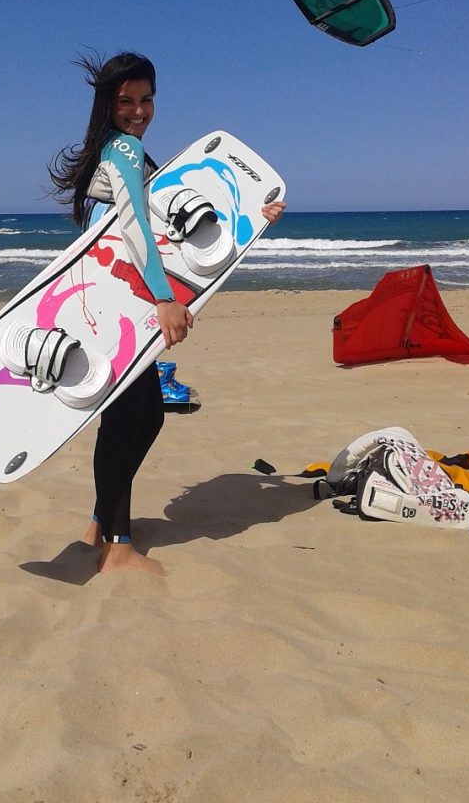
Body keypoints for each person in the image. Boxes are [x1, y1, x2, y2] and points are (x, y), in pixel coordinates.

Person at [49, 52, 285, 574]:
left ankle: (98, 524)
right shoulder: (126, 152)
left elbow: (175, 222)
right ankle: (119, 549)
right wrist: (164, 299)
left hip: (109, 303)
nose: (139, 111)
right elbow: (136, 226)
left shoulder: (112, 153)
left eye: (146, 99)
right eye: (126, 101)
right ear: (108, 104)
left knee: (147, 415)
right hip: (130, 304)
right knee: (124, 419)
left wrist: (254, 216)